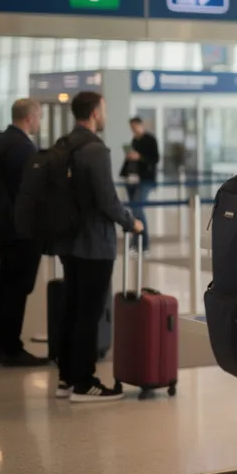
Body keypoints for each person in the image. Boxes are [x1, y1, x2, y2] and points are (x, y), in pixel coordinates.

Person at [52, 92, 143, 402]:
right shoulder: (95, 149)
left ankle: (66, 378)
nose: (105, 115)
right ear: (93, 113)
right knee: (88, 314)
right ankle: (84, 382)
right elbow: (107, 200)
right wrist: (131, 222)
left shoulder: (64, 144)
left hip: (68, 240)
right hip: (94, 243)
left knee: (72, 309)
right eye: (103, 109)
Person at [0, 99, 49, 366]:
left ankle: (2, 345)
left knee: (5, 283)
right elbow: (29, 190)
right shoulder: (22, 147)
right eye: (39, 117)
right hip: (21, 228)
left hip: (2, 224)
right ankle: (11, 348)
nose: (39, 122)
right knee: (17, 287)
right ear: (30, 118)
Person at [122, 117, 160, 252]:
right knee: (134, 211)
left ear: (140, 125)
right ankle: (136, 242)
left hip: (145, 180)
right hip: (132, 179)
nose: (133, 130)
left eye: (134, 127)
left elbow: (155, 159)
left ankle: (144, 243)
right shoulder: (134, 140)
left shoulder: (150, 140)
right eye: (131, 128)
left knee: (138, 208)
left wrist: (140, 157)